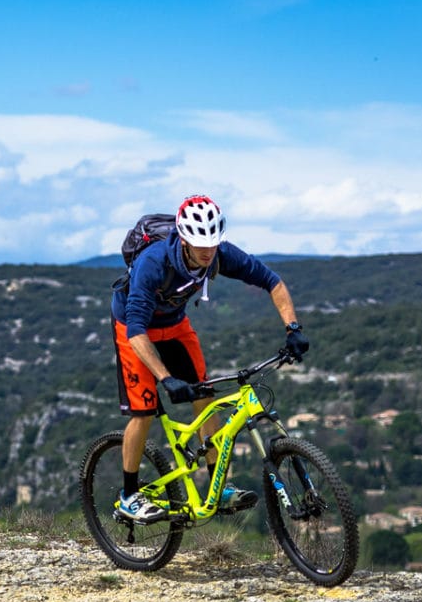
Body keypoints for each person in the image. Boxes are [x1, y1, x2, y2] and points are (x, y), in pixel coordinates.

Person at [110, 194, 309, 523]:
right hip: (134, 329)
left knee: (205, 396)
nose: (207, 251)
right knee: (143, 410)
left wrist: (293, 329)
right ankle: (128, 496)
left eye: (213, 243)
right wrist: (166, 378)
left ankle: (220, 487)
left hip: (174, 325)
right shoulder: (153, 263)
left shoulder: (220, 255)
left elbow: (272, 282)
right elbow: (136, 332)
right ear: (183, 239)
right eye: (200, 244)